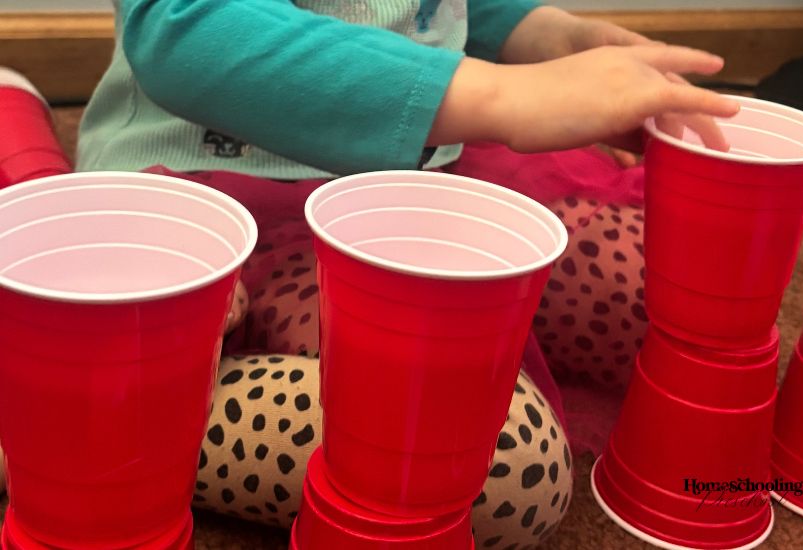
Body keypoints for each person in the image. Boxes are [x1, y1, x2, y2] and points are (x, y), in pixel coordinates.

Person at [10, 1, 738, 547]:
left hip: (422, 158)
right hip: (221, 190)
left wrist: (541, 34)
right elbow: (186, 27)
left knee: (684, 293)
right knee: (500, 466)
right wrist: (503, 99)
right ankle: (87, 425)